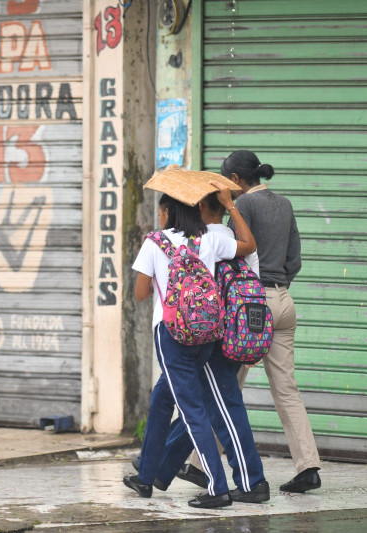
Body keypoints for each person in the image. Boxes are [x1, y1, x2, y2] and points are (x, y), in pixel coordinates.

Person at [178, 150, 322, 493]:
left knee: (224, 385)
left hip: (251, 307)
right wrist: (277, 289)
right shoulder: (284, 204)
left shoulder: (241, 207)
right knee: (286, 390)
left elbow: (230, 253)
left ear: (237, 181)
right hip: (283, 301)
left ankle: (200, 464)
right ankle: (309, 467)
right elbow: (294, 259)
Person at [125, 181, 256, 509]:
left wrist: (158, 279)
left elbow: (141, 293)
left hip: (172, 335)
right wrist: (231, 207)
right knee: (162, 399)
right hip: (206, 334)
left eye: (160, 210)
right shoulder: (210, 239)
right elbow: (249, 245)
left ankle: (217, 489)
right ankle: (147, 477)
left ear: (168, 212)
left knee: (192, 410)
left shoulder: (155, 242)